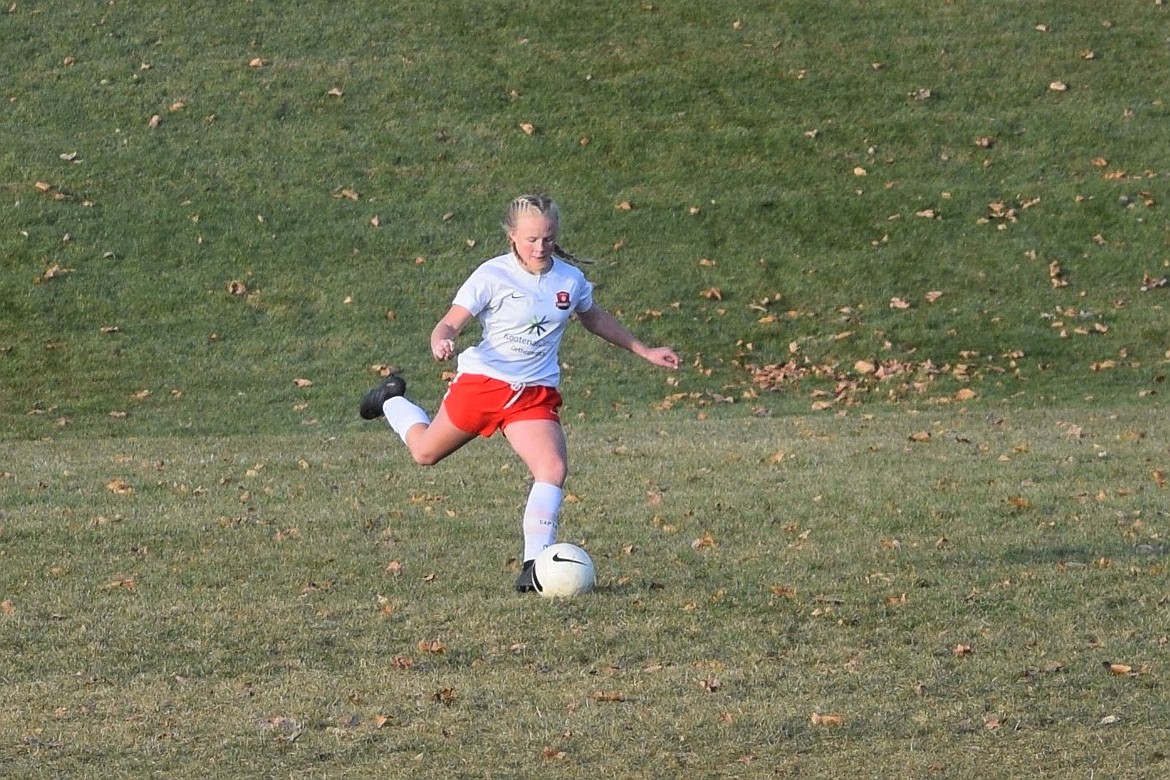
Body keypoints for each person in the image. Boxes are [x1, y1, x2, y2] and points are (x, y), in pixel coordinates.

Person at [359, 194, 680, 592]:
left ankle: (533, 566)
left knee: (552, 469)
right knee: (424, 453)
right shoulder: (492, 275)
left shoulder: (569, 279)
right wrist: (442, 341)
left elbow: (593, 317)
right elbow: (449, 323)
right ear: (512, 236)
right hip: (483, 385)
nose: (540, 248)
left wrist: (645, 350)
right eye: (530, 240)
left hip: (533, 395)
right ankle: (391, 397)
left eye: (547, 238)